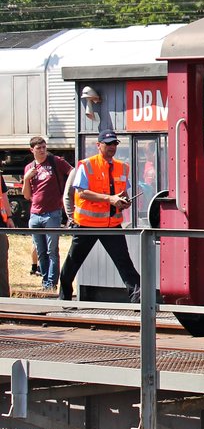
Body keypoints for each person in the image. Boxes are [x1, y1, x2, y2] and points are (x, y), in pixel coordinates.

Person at [58, 130, 141, 303]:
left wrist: (124, 201)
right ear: (98, 145)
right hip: (87, 225)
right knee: (72, 263)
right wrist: (110, 199)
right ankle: (64, 299)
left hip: (111, 225)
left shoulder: (122, 167)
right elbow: (82, 193)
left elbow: (123, 192)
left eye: (114, 144)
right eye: (108, 143)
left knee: (124, 263)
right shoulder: (86, 165)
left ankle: (137, 300)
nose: (112, 147)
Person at [21, 136, 74, 290]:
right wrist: (26, 179)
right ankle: (45, 283)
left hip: (52, 213)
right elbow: (26, 195)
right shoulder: (29, 168)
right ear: (32, 150)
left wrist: (67, 195)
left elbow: (72, 172)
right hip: (35, 214)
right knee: (41, 250)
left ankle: (52, 283)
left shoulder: (55, 161)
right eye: (39, 148)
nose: (43, 150)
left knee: (52, 250)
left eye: (44, 147)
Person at [0, 174, 14, 298]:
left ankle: (4, 298)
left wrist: (9, 217)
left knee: (2, 263)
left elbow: (4, 196)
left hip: (0, 224)